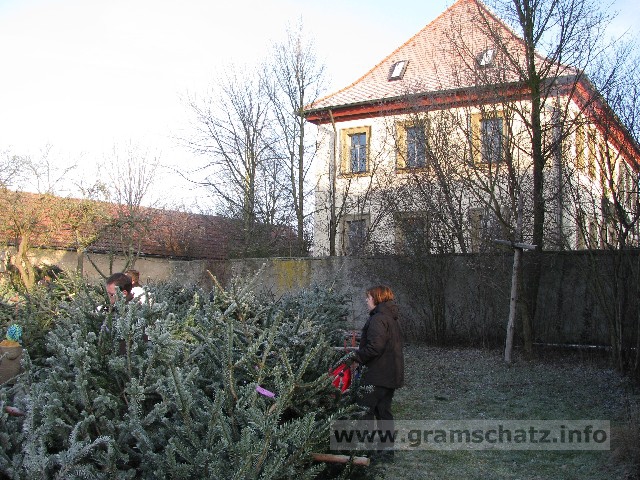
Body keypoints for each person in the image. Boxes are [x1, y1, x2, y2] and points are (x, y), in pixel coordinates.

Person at [352, 285, 404, 460]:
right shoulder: (391, 318)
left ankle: (364, 451)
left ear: (376, 298)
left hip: (375, 375)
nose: (366, 301)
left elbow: (375, 347)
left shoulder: (378, 319)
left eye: (368, 297)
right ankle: (386, 451)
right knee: (384, 413)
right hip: (390, 374)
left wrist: (356, 357)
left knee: (364, 412)